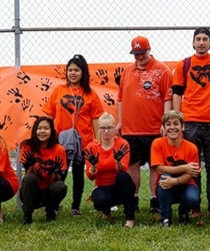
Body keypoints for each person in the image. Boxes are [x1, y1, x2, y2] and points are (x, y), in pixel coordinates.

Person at [172, 27, 210, 219]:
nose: (201, 42)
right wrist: (177, 118)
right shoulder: (184, 64)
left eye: (205, 39)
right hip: (190, 122)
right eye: (198, 39)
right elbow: (177, 93)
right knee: (193, 167)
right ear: (193, 42)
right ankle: (195, 207)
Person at [116, 36, 173, 214]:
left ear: (149, 50)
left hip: (154, 127)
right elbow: (120, 99)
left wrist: (165, 121)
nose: (139, 57)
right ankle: (133, 198)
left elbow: (168, 98)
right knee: (132, 164)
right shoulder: (127, 71)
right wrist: (119, 121)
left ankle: (156, 199)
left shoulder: (162, 70)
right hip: (131, 128)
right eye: (136, 54)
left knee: (155, 166)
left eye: (142, 53)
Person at [43, 54, 103, 216]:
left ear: (83, 72)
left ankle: (75, 206)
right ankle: (54, 205)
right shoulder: (58, 90)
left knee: (78, 174)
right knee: (59, 173)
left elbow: (96, 119)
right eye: (70, 70)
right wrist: (47, 136)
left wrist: (97, 141)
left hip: (83, 141)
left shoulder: (90, 94)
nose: (73, 73)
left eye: (76, 70)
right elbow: (49, 115)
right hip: (60, 141)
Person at [151, 110, 201, 226]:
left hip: (186, 183)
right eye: (168, 124)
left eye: (176, 123)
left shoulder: (191, 147)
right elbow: (159, 169)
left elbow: (192, 173)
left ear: (182, 126)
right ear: (163, 128)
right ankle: (166, 217)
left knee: (193, 199)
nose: (172, 127)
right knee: (164, 178)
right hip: (165, 183)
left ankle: (183, 212)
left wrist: (175, 181)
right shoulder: (157, 143)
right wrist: (184, 167)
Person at [84, 114, 135, 228]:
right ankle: (106, 211)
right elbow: (90, 176)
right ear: (99, 129)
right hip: (102, 186)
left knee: (123, 177)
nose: (106, 131)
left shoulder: (122, 144)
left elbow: (124, 169)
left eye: (109, 128)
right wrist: (93, 167)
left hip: (119, 185)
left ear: (114, 128)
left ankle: (130, 218)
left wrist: (118, 162)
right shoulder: (91, 147)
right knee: (100, 199)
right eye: (103, 128)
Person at [18, 116, 68, 224]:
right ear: (35, 130)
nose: (42, 131)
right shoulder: (27, 147)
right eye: (39, 128)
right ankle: (27, 215)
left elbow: (59, 179)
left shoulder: (59, 150)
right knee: (29, 178)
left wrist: (55, 172)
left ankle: (51, 211)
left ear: (51, 131)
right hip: (31, 191)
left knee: (61, 186)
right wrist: (30, 166)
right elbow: (28, 175)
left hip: (48, 191)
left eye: (46, 128)